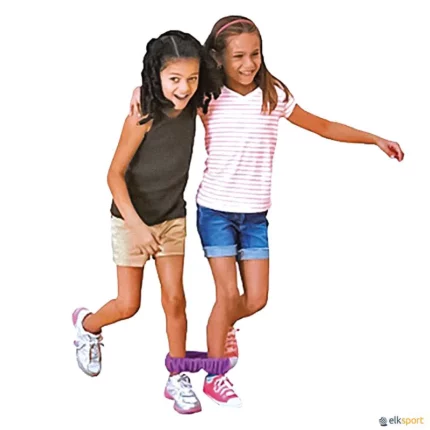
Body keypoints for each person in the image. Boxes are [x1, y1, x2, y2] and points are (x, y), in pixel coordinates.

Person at [129, 16, 404, 408]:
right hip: (216, 210)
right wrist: (140, 88)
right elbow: (173, 86)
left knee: (256, 299)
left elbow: (323, 126)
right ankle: (215, 376)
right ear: (218, 59)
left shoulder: (274, 94)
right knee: (227, 295)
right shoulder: (208, 95)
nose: (248, 64)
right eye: (238, 56)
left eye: (255, 54)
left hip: (255, 215)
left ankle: (223, 326)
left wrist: (373, 139)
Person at [72, 29, 222, 415]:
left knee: (175, 299)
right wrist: (136, 226)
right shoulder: (143, 115)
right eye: (174, 79)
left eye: (192, 78)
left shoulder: (196, 103)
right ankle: (87, 326)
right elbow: (113, 175)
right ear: (156, 75)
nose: (184, 88)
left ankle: (177, 375)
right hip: (131, 219)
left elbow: (224, 72)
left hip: (171, 217)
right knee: (128, 304)